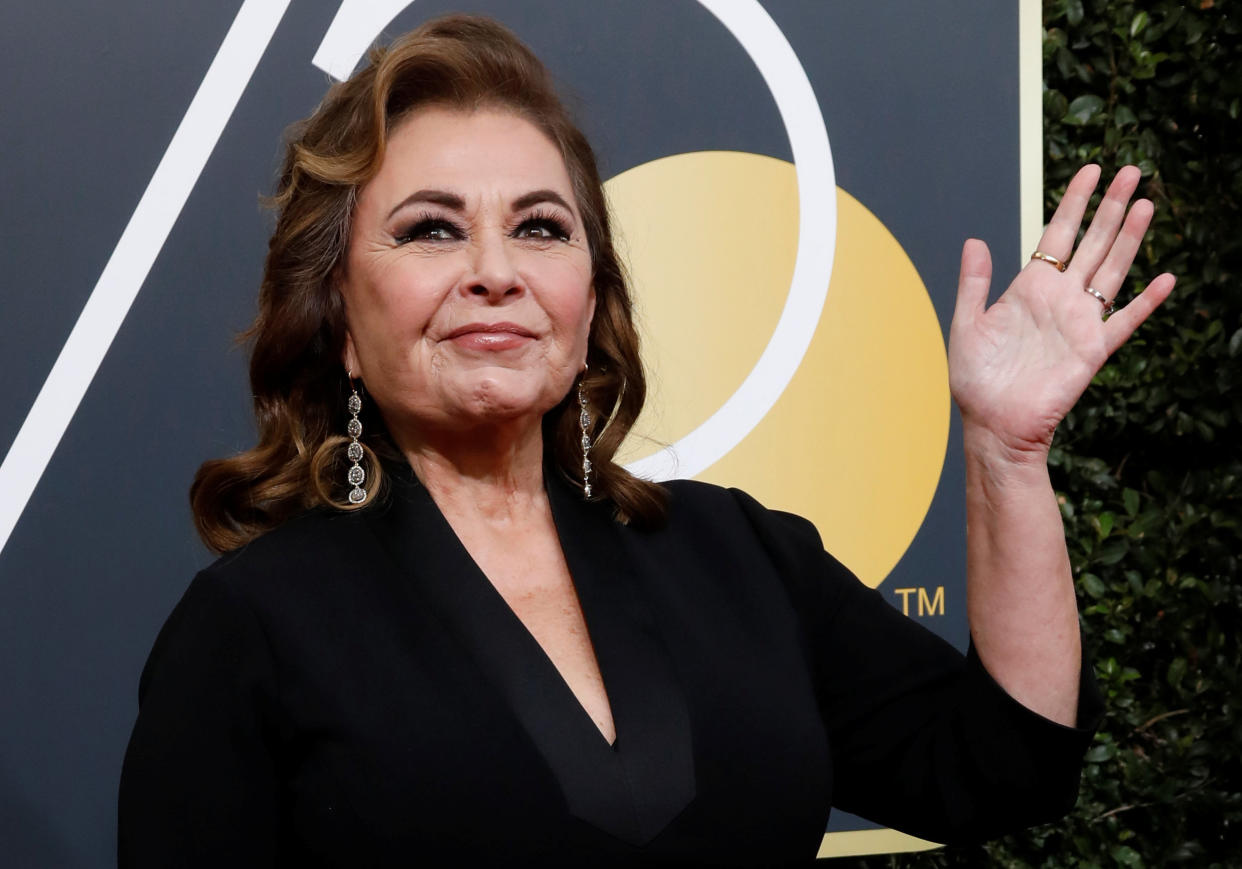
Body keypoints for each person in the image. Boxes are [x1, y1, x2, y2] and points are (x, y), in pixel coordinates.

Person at [117, 13, 1175, 868]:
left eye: (541, 226)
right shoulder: (252, 628)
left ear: (588, 303)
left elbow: (1004, 762)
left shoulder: (738, 556)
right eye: (431, 228)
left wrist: (1004, 452)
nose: (497, 269)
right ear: (341, 319)